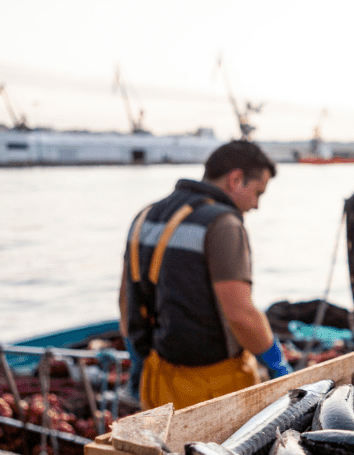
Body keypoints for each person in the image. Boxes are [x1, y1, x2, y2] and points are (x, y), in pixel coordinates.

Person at [119, 140, 292, 411]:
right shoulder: (223, 224)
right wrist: (276, 362)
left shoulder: (146, 215)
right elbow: (240, 313)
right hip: (212, 389)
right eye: (258, 192)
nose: (256, 205)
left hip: (156, 381)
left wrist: (138, 357)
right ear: (236, 180)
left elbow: (126, 302)